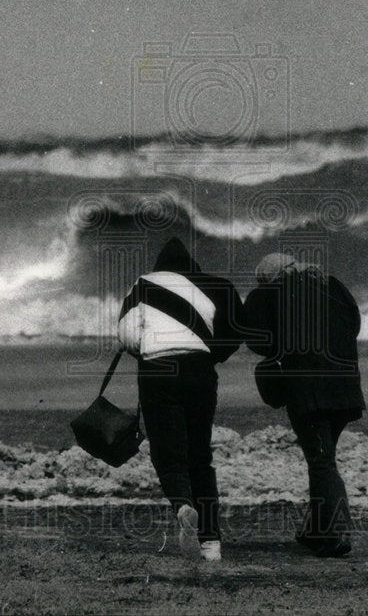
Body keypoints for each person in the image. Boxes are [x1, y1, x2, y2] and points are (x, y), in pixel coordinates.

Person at [117, 237, 246, 562]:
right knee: (200, 455)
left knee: (166, 451)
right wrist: (211, 355)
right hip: (200, 370)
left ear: (160, 266)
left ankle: (183, 505)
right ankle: (211, 544)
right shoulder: (215, 285)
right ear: (192, 266)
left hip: (158, 369)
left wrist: (146, 349)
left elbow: (126, 334)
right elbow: (236, 330)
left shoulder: (144, 283)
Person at [244, 253, 365, 558]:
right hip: (345, 384)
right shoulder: (333, 284)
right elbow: (354, 324)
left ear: (269, 278)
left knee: (321, 461)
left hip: (308, 391)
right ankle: (316, 532)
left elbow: (258, 341)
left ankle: (337, 533)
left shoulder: (271, 293)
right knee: (324, 457)